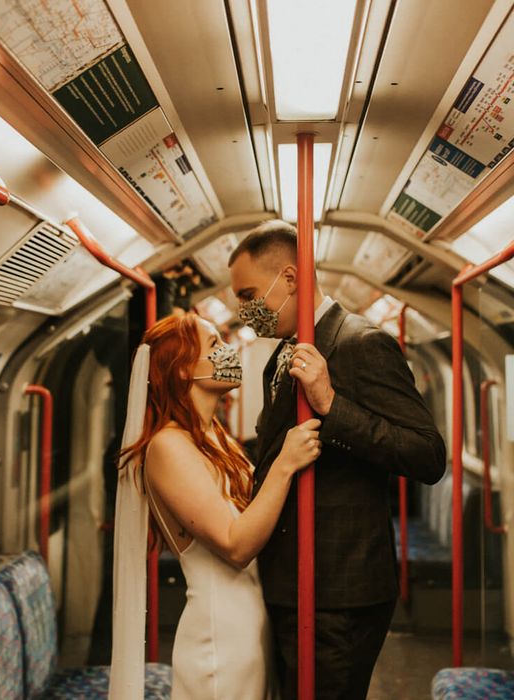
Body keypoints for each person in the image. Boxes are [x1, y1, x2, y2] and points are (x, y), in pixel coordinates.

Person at [228, 220, 446, 700]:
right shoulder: (282, 353)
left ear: (289, 278)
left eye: (247, 295)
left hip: (338, 590)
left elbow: (427, 454)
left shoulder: (361, 343)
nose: (243, 311)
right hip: (293, 579)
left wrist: (331, 405)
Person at [108, 312, 320, 700]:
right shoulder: (168, 447)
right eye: (214, 346)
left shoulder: (211, 435)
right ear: (183, 370)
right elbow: (235, 545)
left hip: (249, 622)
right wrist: (286, 464)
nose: (228, 352)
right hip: (220, 634)